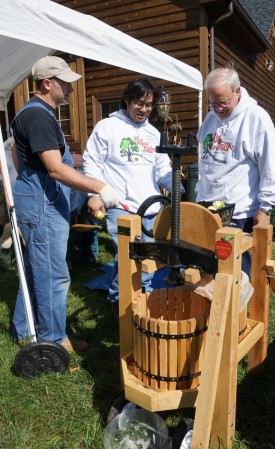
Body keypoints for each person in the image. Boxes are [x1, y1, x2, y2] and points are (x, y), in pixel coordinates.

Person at [11, 56, 125, 352]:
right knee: (53, 273)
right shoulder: (38, 116)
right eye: (66, 83)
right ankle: (53, 339)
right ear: (47, 84)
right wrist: (100, 187)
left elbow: (18, 159)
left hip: (37, 197)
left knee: (36, 267)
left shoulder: (38, 113)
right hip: (41, 202)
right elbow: (56, 169)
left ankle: (24, 330)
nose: (72, 89)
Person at [83, 77, 178, 312]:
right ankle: (122, 307)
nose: (144, 109)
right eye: (139, 103)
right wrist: (93, 194)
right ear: (127, 100)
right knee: (129, 259)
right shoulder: (107, 127)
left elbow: (162, 168)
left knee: (145, 261)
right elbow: (92, 163)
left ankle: (134, 304)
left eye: (149, 105)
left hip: (151, 209)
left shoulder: (153, 134)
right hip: (120, 207)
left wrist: (176, 185)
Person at [195, 67, 275, 275]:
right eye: (213, 102)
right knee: (206, 266)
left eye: (223, 102)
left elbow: (270, 165)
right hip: (207, 206)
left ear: (237, 91)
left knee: (235, 271)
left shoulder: (256, 118)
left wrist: (266, 207)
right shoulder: (210, 119)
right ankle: (212, 306)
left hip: (238, 210)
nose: (217, 108)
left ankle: (242, 308)